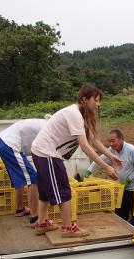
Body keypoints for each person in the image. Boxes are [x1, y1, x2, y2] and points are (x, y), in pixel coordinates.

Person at [31, 85, 121, 238]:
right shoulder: (74, 114)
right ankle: (68, 228)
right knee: (64, 191)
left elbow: (93, 139)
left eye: (99, 101)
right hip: (47, 153)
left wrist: (111, 156)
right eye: (96, 100)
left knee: (46, 191)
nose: (98, 104)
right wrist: (106, 167)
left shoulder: (80, 114)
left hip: (42, 152)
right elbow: (85, 146)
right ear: (84, 99)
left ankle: (41, 223)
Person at [83, 129, 134, 225]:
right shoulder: (111, 151)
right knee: (120, 213)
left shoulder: (132, 150)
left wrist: (129, 179)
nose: (111, 144)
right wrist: (89, 171)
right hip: (121, 188)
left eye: (113, 141)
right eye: (109, 141)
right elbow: (100, 160)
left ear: (121, 139)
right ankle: (123, 230)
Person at [0, 119, 46, 225]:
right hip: (10, 145)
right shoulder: (47, 129)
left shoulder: (43, 124)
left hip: (2, 143)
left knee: (20, 178)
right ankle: (35, 218)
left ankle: (20, 209)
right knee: (33, 179)